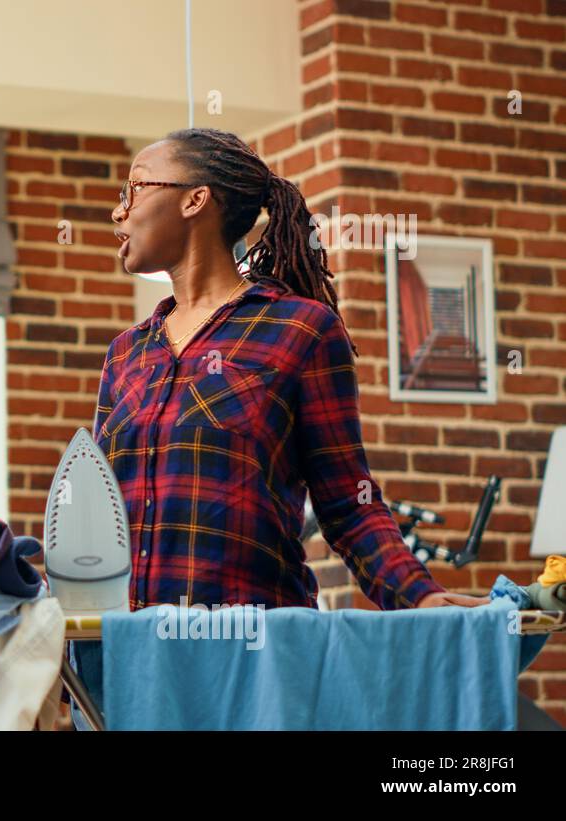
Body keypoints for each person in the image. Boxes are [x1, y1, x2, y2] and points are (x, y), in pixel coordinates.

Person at [97, 127, 486, 613]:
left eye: (134, 188)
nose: (119, 210)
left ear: (195, 199)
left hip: (251, 655)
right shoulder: (125, 354)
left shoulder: (300, 330)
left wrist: (419, 595)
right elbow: (97, 515)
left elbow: (348, 502)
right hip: (119, 655)